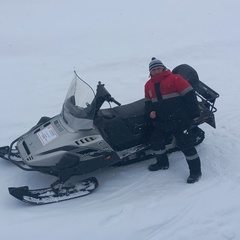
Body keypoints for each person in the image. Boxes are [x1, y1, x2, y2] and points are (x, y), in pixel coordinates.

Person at [144, 57, 202, 183]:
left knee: (186, 146)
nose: (156, 71)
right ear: (150, 72)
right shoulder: (148, 85)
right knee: (155, 140)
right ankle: (162, 163)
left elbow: (190, 96)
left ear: (163, 68)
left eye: (158, 68)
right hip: (163, 122)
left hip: (181, 120)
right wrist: (150, 112)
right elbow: (148, 103)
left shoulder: (175, 79)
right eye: (153, 70)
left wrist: (194, 114)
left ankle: (196, 172)